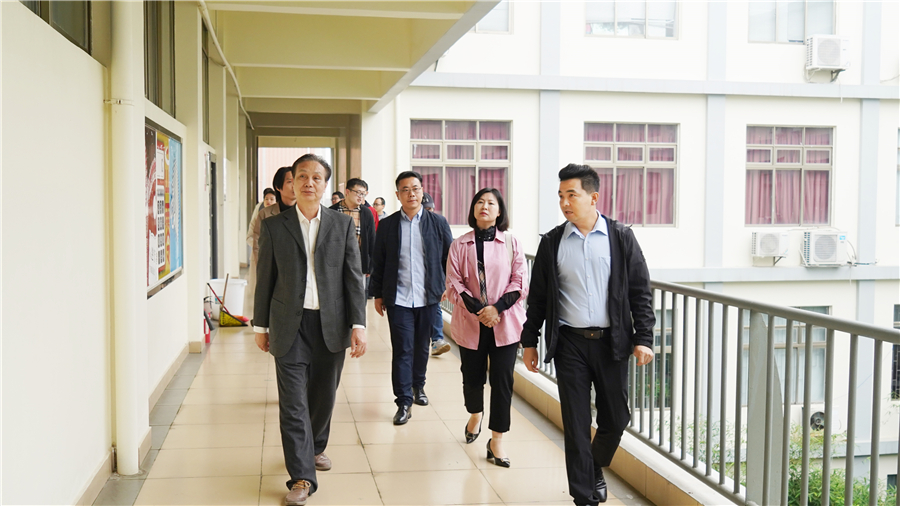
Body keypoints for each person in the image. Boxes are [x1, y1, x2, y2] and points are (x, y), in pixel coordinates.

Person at [521, 164, 655, 505]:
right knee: (577, 423)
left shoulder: (620, 237)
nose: (565, 203)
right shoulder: (553, 241)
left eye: (572, 195)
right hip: (570, 344)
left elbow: (640, 290)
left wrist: (644, 338)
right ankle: (584, 497)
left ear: (593, 197)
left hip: (612, 343)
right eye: (561, 196)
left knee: (617, 418)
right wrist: (529, 341)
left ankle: (594, 465)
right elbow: (538, 297)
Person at [253, 153, 367, 506]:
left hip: (331, 323)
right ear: (291, 182)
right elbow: (265, 278)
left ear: (325, 185)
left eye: (316, 177)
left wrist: (359, 324)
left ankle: (315, 447)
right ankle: (301, 476)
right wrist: (260, 325)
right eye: (301, 176)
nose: (308, 183)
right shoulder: (275, 226)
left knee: (323, 396)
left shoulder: (342, 225)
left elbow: (353, 278)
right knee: (292, 402)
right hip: (289, 323)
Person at [444, 188, 527, 468]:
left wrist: (496, 309)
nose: (485, 206)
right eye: (480, 202)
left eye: (491, 203)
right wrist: (480, 311)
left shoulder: (512, 243)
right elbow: (453, 282)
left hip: (505, 323)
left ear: (499, 211)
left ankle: (497, 439)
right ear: (473, 209)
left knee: (502, 382)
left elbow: (519, 281)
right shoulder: (460, 244)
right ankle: (475, 413)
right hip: (471, 322)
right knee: (472, 377)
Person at [370, 171, 453, 425]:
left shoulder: (438, 223)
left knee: (421, 346)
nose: (411, 194)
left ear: (422, 191)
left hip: (428, 298)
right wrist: (378, 294)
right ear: (398, 195)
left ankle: (419, 386)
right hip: (399, 298)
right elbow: (379, 261)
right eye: (405, 190)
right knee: (403, 349)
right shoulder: (388, 225)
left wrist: (447, 284)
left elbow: (449, 258)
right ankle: (403, 401)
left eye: (415, 188)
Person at [246, 170, 295, 319]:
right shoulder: (265, 214)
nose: (295, 185)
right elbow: (257, 243)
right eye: (289, 181)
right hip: (273, 268)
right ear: (278, 187)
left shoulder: (306, 211)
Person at [422, 193, 451, 356]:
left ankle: (437, 340)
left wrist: (447, 282)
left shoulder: (439, 223)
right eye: (425, 209)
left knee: (435, 306)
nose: (429, 212)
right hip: (413, 280)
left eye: (430, 209)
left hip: (435, 277)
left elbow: (448, 253)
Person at [329, 178, 376, 279]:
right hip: (335, 264)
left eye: (363, 194)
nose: (361, 197)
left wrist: (370, 265)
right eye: (358, 193)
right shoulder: (332, 211)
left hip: (358, 263)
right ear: (347, 192)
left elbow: (372, 239)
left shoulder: (366, 213)